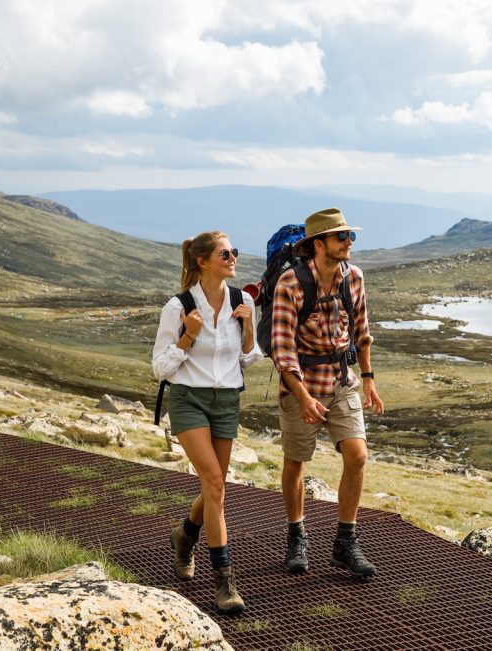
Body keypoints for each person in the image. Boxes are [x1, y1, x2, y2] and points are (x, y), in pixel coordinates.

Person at [152, 231, 262, 613]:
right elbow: (159, 368)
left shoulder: (243, 300)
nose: (233, 257)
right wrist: (188, 337)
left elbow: (249, 359)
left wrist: (248, 328)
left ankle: (185, 534)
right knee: (215, 483)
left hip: (227, 401)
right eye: (225, 253)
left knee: (214, 487)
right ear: (202, 261)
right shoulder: (177, 306)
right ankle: (225, 581)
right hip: (189, 400)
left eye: (234, 251)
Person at [272, 208, 385, 577]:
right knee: (296, 462)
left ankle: (345, 543)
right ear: (318, 244)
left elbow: (362, 331)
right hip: (302, 386)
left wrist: (367, 378)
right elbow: (283, 350)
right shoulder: (289, 283)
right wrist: (302, 397)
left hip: (341, 382)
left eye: (351, 235)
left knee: (357, 456)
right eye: (342, 237)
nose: (349, 242)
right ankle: (296, 536)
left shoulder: (354, 278)